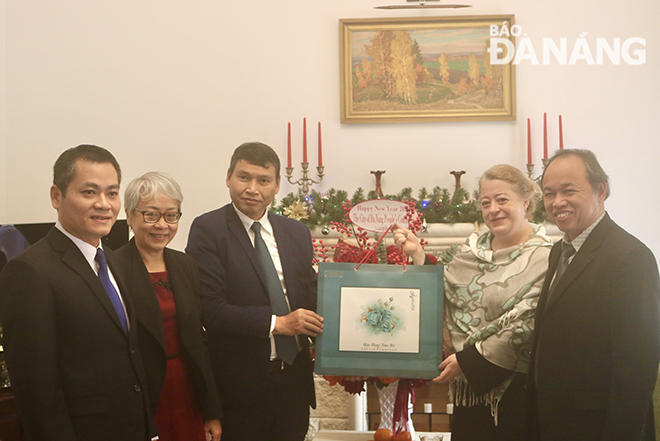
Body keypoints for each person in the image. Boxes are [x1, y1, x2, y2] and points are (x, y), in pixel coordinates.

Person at [0, 144, 157, 441]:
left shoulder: (114, 260)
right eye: (89, 192)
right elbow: (36, 389)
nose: (104, 204)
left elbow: (129, 355)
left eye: (112, 193)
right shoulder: (29, 271)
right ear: (56, 196)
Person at [394, 164, 552, 440]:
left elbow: (529, 321)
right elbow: (441, 289)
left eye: (503, 200)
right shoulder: (468, 251)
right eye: (485, 202)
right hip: (469, 396)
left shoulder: (545, 257)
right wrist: (418, 255)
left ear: (525, 203)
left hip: (518, 391)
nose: (493, 209)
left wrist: (470, 361)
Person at [186, 141, 323, 441]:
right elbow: (210, 309)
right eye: (243, 177)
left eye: (263, 180)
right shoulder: (208, 229)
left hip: (294, 387)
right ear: (228, 177)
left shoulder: (296, 233)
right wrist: (279, 323)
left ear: (276, 186)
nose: (252, 188)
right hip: (240, 389)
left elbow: (312, 298)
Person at [526, 149, 660, 441]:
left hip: (598, 428)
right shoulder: (558, 252)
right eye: (549, 193)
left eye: (568, 190)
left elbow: (637, 369)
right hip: (552, 421)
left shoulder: (630, 257)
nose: (557, 202)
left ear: (601, 191)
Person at [115, 172, 222, 441]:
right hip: (142, 393)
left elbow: (199, 340)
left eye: (171, 215)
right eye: (150, 214)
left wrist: (211, 410)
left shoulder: (186, 265)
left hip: (187, 390)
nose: (162, 225)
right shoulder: (113, 268)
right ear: (129, 216)